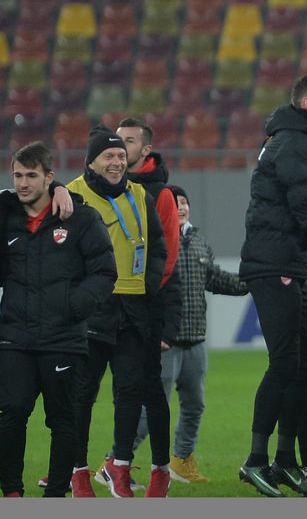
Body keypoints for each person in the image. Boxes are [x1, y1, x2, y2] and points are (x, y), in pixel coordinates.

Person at [238, 73, 307, 497]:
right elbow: (306, 203)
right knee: (286, 363)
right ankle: (256, 460)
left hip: (292, 263)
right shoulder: (296, 144)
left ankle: (284, 459)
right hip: (274, 263)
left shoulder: (304, 142)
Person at [0, 143, 116, 498]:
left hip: (63, 337)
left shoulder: (79, 219)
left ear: (49, 177)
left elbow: (104, 270)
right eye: (18, 175)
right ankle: (12, 493)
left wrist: (74, 306)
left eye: (31, 176)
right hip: (14, 337)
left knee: (63, 421)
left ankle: (54, 496)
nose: (22, 183)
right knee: (10, 413)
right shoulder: (5, 216)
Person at [67, 127, 168, 497]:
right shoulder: (72, 194)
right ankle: (77, 472)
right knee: (83, 393)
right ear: (91, 161)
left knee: (129, 390)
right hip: (93, 310)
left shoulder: (139, 194)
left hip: (133, 306)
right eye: (108, 157)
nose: (117, 162)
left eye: (121, 157)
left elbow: (156, 246)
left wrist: (149, 282)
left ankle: (120, 467)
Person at [92, 118, 182, 492]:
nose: (119, 150)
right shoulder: (97, 190)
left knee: (147, 391)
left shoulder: (157, 193)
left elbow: (167, 256)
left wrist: (143, 298)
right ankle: (95, 464)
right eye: (114, 144)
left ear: (144, 150)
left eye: (127, 143)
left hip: (144, 306)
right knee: (100, 389)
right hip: (107, 307)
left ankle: (155, 468)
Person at [149, 185, 248, 484]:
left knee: (194, 406)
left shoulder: (200, 244)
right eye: (174, 203)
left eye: (184, 202)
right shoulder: (158, 242)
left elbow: (217, 279)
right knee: (151, 409)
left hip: (194, 340)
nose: (180, 207)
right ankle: (117, 461)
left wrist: (255, 280)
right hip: (165, 342)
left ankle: (181, 460)